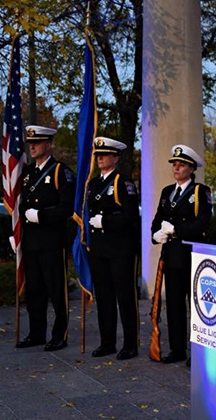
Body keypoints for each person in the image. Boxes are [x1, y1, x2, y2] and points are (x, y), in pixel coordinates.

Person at [15, 125, 75, 352]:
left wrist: (41, 215)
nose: (32, 146)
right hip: (31, 241)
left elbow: (66, 207)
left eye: (37, 142)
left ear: (49, 144)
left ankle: (59, 335)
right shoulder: (28, 173)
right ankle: (36, 332)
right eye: (31, 142)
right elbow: (20, 207)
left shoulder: (61, 172)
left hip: (51, 241)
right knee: (34, 291)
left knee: (56, 290)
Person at [151, 144, 212, 364]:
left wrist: (177, 230)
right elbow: (158, 218)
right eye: (174, 164)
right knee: (174, 304)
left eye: (181, 165)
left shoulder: (200, 192)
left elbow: (203, 223)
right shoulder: (168, 191)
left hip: (192, 255)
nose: (176, 168)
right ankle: (177, 349)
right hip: (171, 255)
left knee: (195, 306)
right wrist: (156, 233)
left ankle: (197, 351)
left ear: (191, 168)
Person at [87, 137, 141, 360]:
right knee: (105, 298)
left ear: (115, 157)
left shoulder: (123, 182)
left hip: (120, 249)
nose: (100, 158)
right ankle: (107, 342)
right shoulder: (94, 183)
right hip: (100, 249)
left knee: (125, 298)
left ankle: (130, 344)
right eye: (98, 154)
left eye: (105, 154)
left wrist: (105, 222)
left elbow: (130, 217)